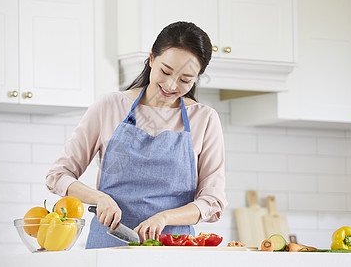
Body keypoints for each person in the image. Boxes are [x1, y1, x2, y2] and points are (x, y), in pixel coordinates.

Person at [46, 21, 227, 249]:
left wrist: (165, 218)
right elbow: (58, 175)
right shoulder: (109, 106)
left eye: (185, 80)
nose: (171, 85)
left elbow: (212, 201)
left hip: (174, 252)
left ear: (197, 77)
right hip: (109, 248)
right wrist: (99, 198)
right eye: (165, 71)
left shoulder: (204, 119)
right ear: (151, 58)